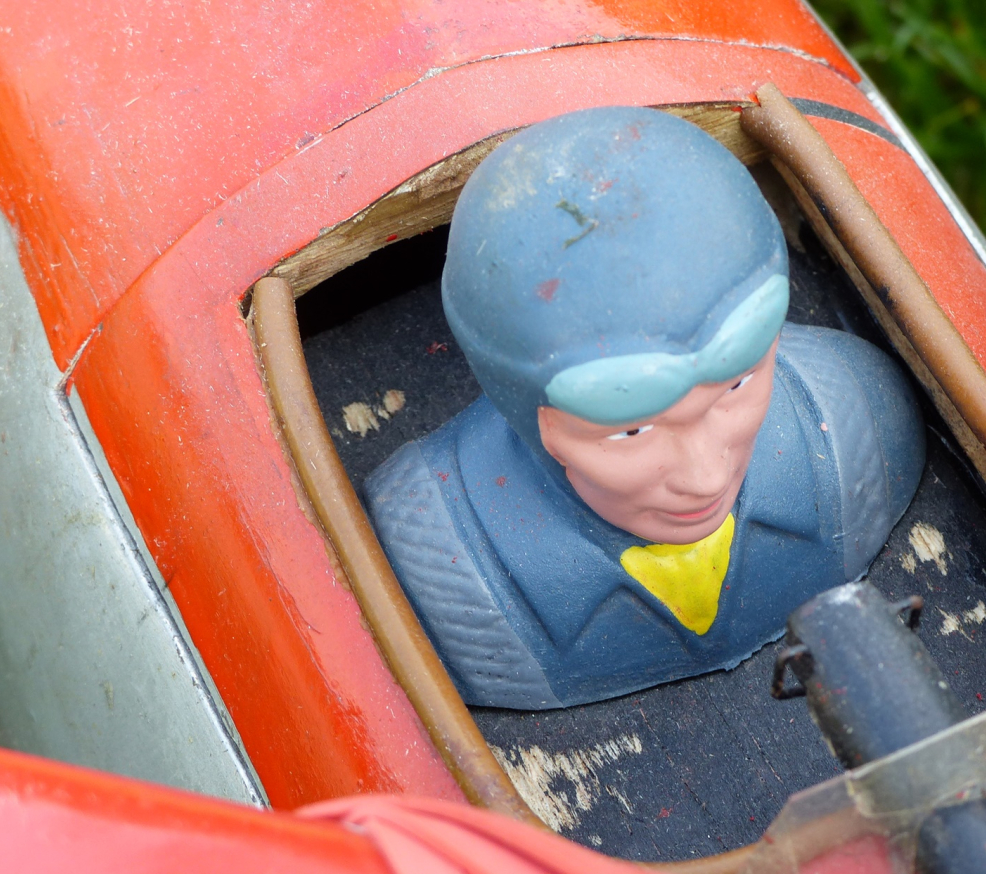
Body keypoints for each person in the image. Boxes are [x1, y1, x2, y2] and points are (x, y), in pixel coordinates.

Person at [366, 106, 925, 709]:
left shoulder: (857, 429)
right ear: (530, 415)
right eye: (631, 430)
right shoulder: (439, 571)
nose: (706, 476)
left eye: (736, 386)